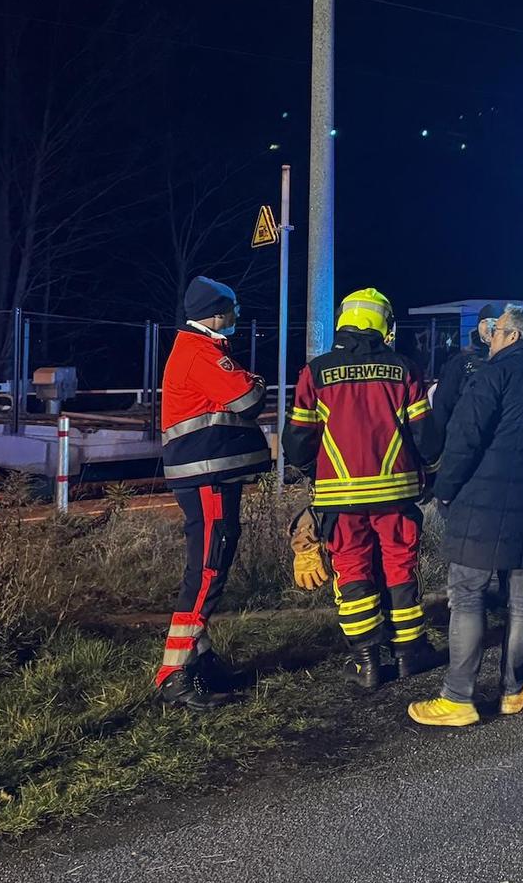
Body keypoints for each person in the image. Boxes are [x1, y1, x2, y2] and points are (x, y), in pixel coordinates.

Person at [410, 303, 523, 727]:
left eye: (497, 331)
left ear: (514, 337)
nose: (491, 338)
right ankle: (513, 689)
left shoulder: (492, 376)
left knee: (468, 596)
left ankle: (458, 699)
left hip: (479, 507)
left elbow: (464, 439)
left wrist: (443, 491)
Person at [283, 288, 440, 689]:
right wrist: (432, 472)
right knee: (400, 567)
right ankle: (410, 653)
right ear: (383, 325)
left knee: (352, 571)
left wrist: (309, 471)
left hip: (340, 497)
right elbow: (425, 436)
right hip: (396, 493)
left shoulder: (316, 372)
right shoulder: (405, 369)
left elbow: (298, 439)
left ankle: (367, 661)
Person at [155, 276, 273, 710]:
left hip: (209, 476)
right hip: (206, 478)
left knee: (210, 567)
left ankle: (199, 660)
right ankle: (174, 674)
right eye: (233, 309)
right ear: (217, 312)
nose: (237, 316)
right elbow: (247, 399)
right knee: (206, 572)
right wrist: (254, 382)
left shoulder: (199, 350)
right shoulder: (201, 353)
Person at [430, 302, 501, 440]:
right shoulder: (461, 361)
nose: (489, 328)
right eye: (485, 322)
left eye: (494, 322)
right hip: (465, 437)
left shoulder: (509, 361)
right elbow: (443, 403)